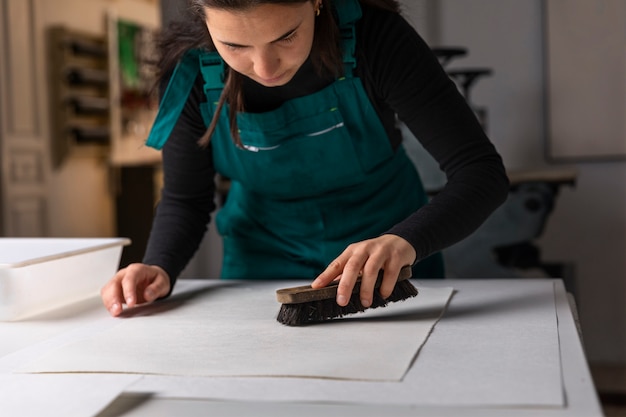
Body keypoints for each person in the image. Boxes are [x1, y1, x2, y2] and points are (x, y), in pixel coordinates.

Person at [101, 0, 509, 317]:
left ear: (316, 2)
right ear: (203, 18)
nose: (264, 67)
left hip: (387, 248)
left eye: (285, 36)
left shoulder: (375, 39)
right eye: (235, 46)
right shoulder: (190, 75)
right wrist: (158, 266)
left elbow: (480, 173)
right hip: (260, 254)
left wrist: (406, 241)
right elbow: (186, 199)